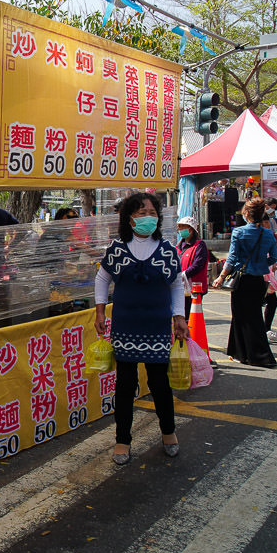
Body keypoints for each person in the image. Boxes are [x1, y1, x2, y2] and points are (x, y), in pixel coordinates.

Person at [94, 192, 187, 465]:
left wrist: (179, 317)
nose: (148, 218)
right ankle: (122, 440)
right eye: (141, 212)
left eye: (152, 213)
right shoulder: (117, 249)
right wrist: (99, 311)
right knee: (125, 385)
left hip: (157, 327)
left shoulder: (168, 250)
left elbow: (176, 284)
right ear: (129, 218)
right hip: (125, 326)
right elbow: (102, 279)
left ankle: (168, 433)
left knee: (160, 384)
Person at [211, 197, 277, 368]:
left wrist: (221, 277)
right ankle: (256, 355)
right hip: (258, 281)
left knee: (240, 316)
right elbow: (274, 258)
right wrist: (261, 264)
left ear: (247, 213)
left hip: (242, 281)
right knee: (255, 316)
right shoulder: (268, 234)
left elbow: (232, 258)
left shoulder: (239, 232)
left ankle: (242, 354)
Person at [176, 216, 208, 319]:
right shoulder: (178, 247)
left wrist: (184, 274)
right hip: (180, 287)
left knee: (191, 316)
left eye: (182, 227)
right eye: (179, 227)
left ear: (190, 229)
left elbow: (198, 265)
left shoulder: (199, 245)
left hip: (194, 288)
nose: (180, 229)